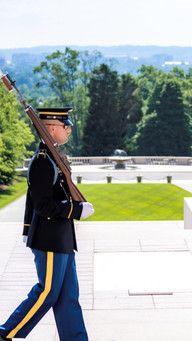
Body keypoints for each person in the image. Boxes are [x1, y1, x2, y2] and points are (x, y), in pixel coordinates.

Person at [0, 108, 94, 341]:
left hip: (61, 238)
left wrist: (26, 229)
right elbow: (42, 205)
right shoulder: (43, 161)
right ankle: (5, 333)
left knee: (68, 296)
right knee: (48, 293)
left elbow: (35, 200)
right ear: (51, 127)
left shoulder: (52, 156)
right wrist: (76, 209)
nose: (69, 129)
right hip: (50, 239)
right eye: (66, 126)